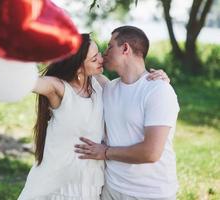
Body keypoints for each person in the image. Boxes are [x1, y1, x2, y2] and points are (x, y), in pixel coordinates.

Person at [18, 33, 169, 200]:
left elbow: (131, 87)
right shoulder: (58, 88)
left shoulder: (101, 86)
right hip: (58, 185)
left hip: (90, 185)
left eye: (99, 52)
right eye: (94, 58)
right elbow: (25, 81)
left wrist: (159, 80)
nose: (101, 58)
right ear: (78, 67)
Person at [75, 26, 180, 200]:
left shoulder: (158, 91)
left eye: (109, 46)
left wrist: (105, 152)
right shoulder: (108, 88)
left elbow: (151, 152)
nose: (104, 52)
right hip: (111, 189)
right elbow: (79, 65)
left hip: (150, 193)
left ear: (125, 48)